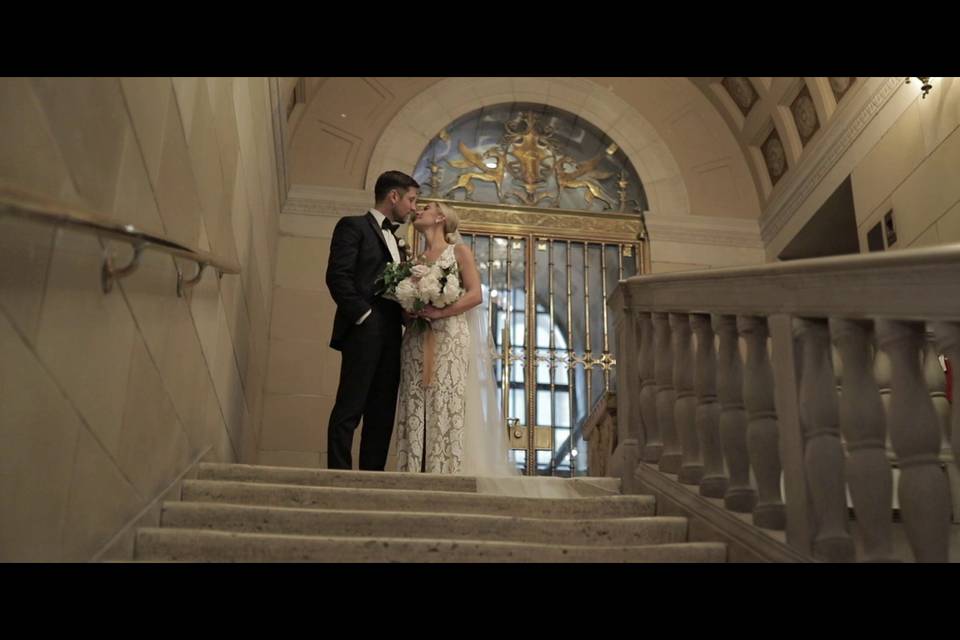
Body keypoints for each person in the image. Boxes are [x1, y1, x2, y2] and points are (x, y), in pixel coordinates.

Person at [395, 201, 516, 477]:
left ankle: (445, 470)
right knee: (414, 399)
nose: (419, 210)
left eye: (427, 207)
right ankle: (413, 470)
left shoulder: (459, 251)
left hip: (450, 337)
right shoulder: (414, 262)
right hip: (416, 339)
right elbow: (405, 306)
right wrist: (412, 309)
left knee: (445, 400)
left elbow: (475, 294)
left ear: (440, 217)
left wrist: (441, 312)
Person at [325, 170, 418, 470]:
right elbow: (337, 277)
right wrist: (363, 316)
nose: (414, 207)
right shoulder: (353, 226)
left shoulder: (399, 241)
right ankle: (339, 475)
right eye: (411, 199)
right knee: (351, 405)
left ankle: (373, 478)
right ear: (393, 196)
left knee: (382, 412)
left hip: (394, 333)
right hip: (364, 329)